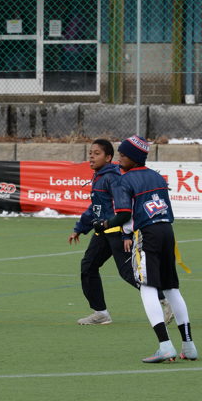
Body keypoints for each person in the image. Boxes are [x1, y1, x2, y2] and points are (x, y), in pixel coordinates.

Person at [92, 135, 198, 363]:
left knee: (147, 287)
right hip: (167, 232)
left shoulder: (124, 180)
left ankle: (165, 345)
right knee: (171, 289)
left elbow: (123, 214)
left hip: (147, 235)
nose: (119, 159)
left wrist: (104, 224)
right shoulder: (157, 177)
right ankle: (189, 345)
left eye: (123, 155)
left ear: (134, 157)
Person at [68, 138, 173, 326]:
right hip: (103, 231)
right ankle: (100, 313)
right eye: (90, 153)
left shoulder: (113, 178)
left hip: (117, 231)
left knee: (129, 273)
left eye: (97, 153)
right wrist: (80, 228)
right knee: (88, 266)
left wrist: (126, 235)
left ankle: (164, 299)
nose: (91, 156)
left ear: (108, 157)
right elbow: (96, 208)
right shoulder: (100, 177)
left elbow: (125, 208)